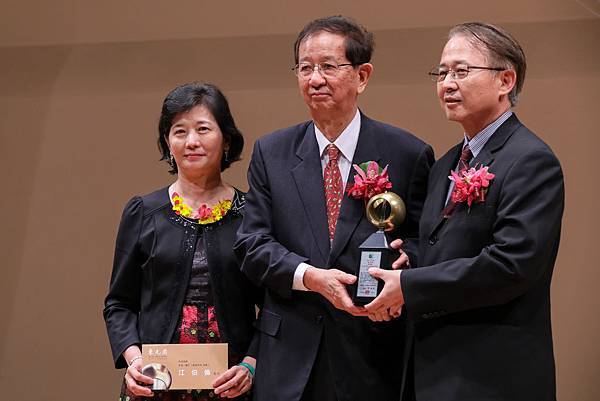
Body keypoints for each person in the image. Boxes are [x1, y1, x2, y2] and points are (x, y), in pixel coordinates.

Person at [235, 16, 434, 401]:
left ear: (362, 76)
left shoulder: (407, 153)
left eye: (328, 66)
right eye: (305, 68)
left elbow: (425, 243)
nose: (315, 79)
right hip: (289, 355)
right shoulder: (271, 153)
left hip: (373, 351)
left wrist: (403, 274)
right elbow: (251, 245)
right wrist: (311, 277)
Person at [365, 22, 564, 401]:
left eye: (461, 71)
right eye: (441, 73)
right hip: (432, 371)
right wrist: (411, 260)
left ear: (505, 81)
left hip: (492, 375)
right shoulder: (445, 164)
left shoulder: (531, 160)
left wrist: (408, 287)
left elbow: (512, 264)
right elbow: (443, 248)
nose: (447, 83)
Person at [104, 82, 262, 401]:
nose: (191, 142)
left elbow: (275, 307)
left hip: (233, 386)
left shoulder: (252, 214)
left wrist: (251, 364)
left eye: (203, 129)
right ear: (167, 142)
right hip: (154, 385)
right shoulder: (144, 213)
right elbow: (119, 304)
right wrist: (134, 362)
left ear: (227, 140)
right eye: (179, 131)